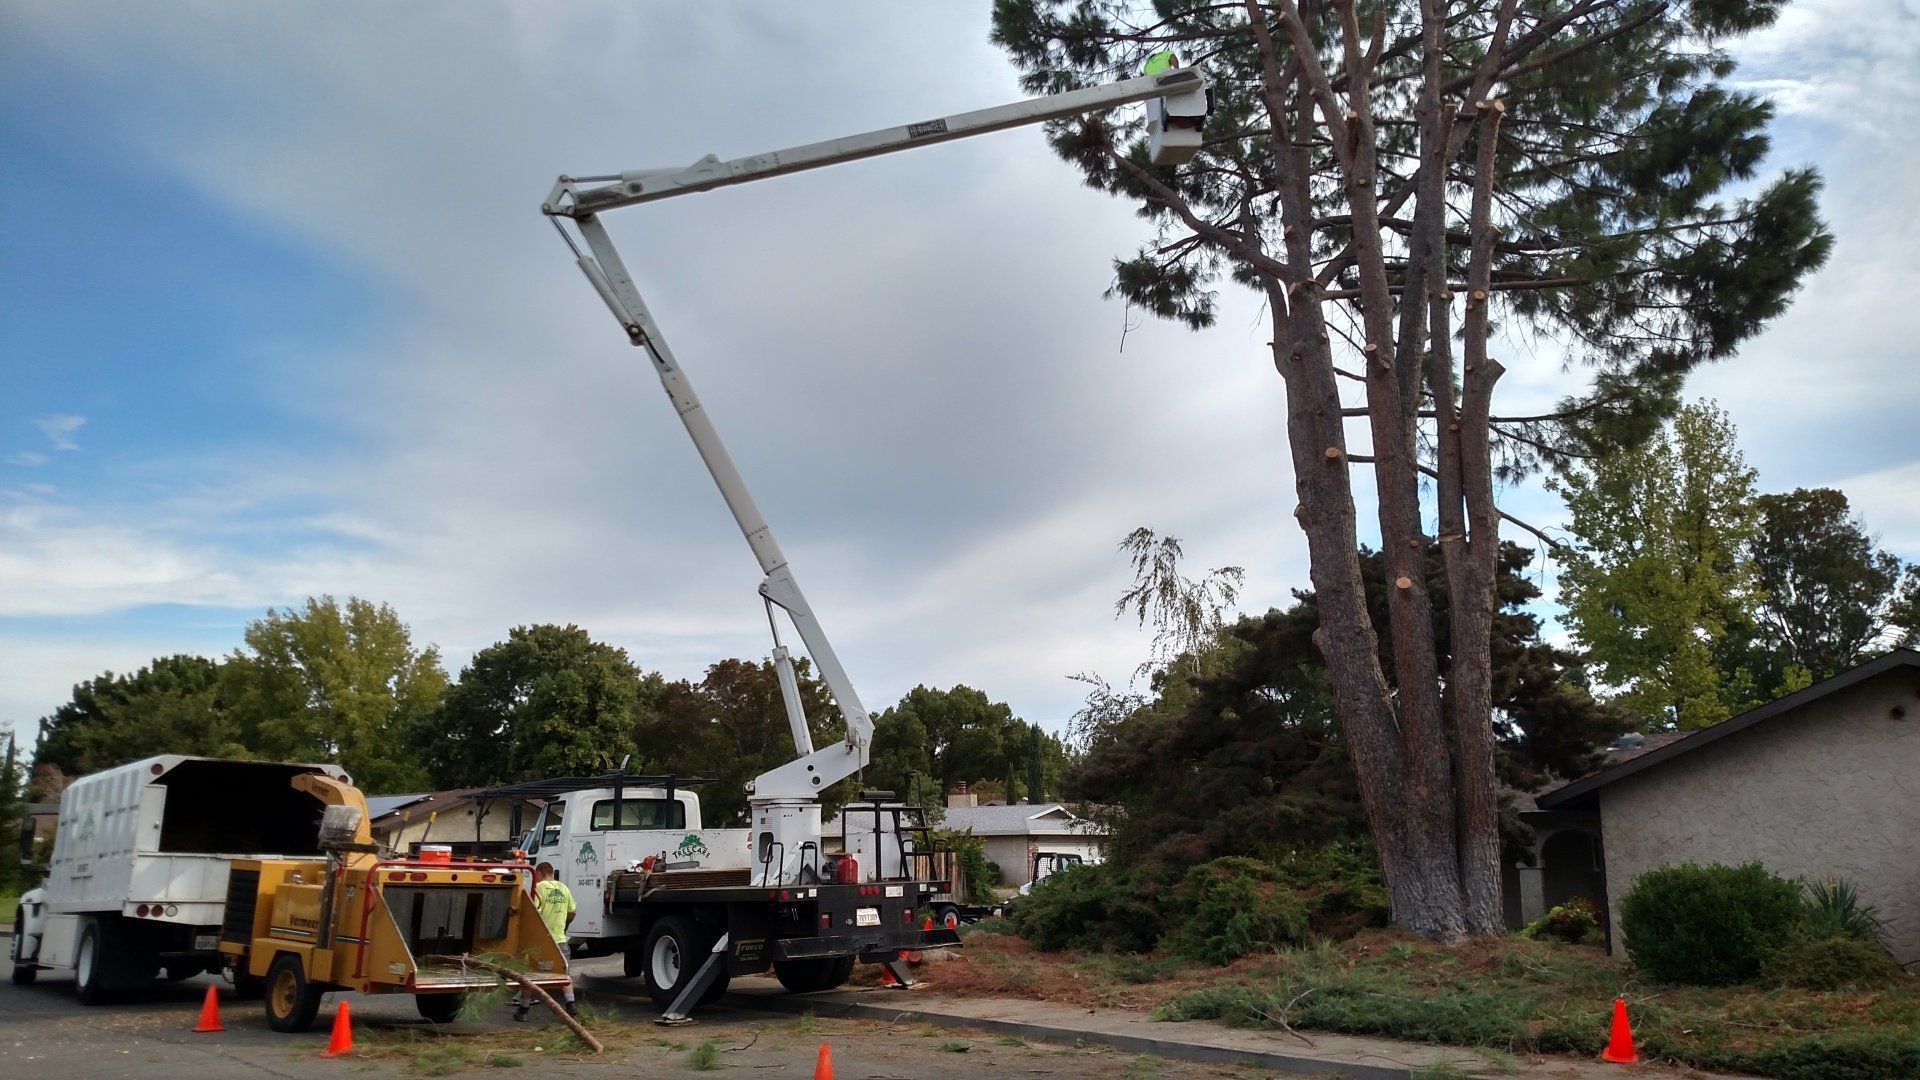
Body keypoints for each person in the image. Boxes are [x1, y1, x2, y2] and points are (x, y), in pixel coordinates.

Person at [515, 861, 578, 1019]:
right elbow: (572, 911)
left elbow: (533, 913)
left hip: (542, 941)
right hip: (560, 939)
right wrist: (564, 926)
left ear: (539, 873)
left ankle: (523, 1010)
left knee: (529, 975)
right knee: (563, 973)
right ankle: (571, 1004)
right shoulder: (564, 888)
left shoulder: (539, 889)